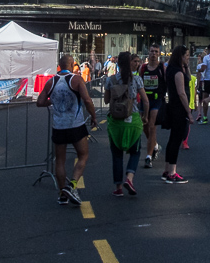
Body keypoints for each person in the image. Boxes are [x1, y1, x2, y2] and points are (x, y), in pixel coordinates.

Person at [37, 54, 96, 205]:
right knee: (83, 155)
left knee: (60, 161)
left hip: (59, 126)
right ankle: (72, 185)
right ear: (72, 65)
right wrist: (93, 116)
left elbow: (40, 102)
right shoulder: (76, 79)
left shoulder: (51, 82)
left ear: (59, 65)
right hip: (75, 124)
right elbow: (87, 100)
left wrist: (55, 103)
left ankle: (62, 193)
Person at [104, 52, 146, 197]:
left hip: (116, 122)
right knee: (135, 152)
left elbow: (106, 100)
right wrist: (145, 116)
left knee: (117, 155)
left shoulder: (110, 80)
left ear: (118, 64)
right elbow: (145, 100)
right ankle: (129, 178)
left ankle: (118, 187)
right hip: (133, 120)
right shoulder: (137, 80)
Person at [162, 45, 193, 184]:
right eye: (186, 56)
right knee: (176, 139)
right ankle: (172, 172)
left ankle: (167, 169)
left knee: (172, 139)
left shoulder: (172, 69)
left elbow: (190, 79)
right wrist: (188, 112)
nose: (188, 58)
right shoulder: (177, 73)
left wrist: (186, 66)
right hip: (179, 109)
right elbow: (181, 92)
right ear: (180, 56)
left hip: (172, 107)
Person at [140, 43, 166, 168]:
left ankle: (148, 157)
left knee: (152, 126)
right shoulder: (143, 68)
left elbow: (167, 82)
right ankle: (155, 145)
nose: (154, 54)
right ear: (148, 53)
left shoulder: (162, 68)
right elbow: (139, 83)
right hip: (144, 101)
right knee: (144, 126)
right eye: (152, 51)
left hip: (157, 100)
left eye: (156, 51)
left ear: (159, 54)